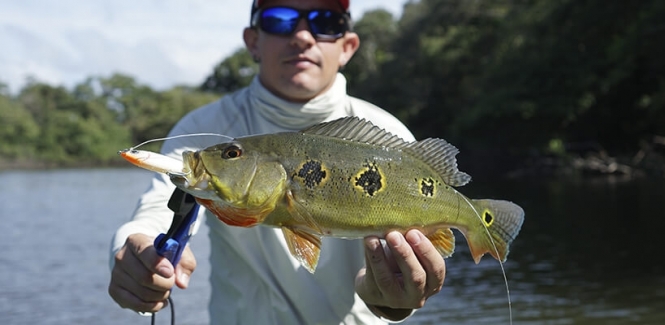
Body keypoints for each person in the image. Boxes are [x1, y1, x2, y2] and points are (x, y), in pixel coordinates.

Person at [108, 0, 447, 323]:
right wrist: (132, 248)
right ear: (252, 41)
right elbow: (157, 210)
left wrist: (390, 299)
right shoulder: (203, 133)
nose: (302, 36)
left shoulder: (389, 136)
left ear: (348, 47)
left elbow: (406, 271)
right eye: (280, 19)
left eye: (325, 23)